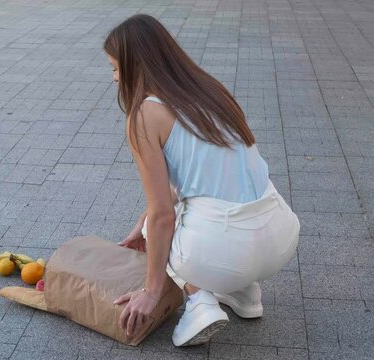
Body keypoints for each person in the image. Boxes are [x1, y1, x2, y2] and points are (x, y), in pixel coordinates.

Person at [104, 14, 300, 347]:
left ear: (136, 66)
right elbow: (214, 175)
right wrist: (144, 218)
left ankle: (199, 303)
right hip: (281, 235)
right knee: (163, 217)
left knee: (158, 225)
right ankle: (245, 293)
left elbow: (163, 215)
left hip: (227, 247)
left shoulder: (144, 115)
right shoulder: (210, 90)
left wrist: (152, 291)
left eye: (115, 67)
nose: (115, 78)